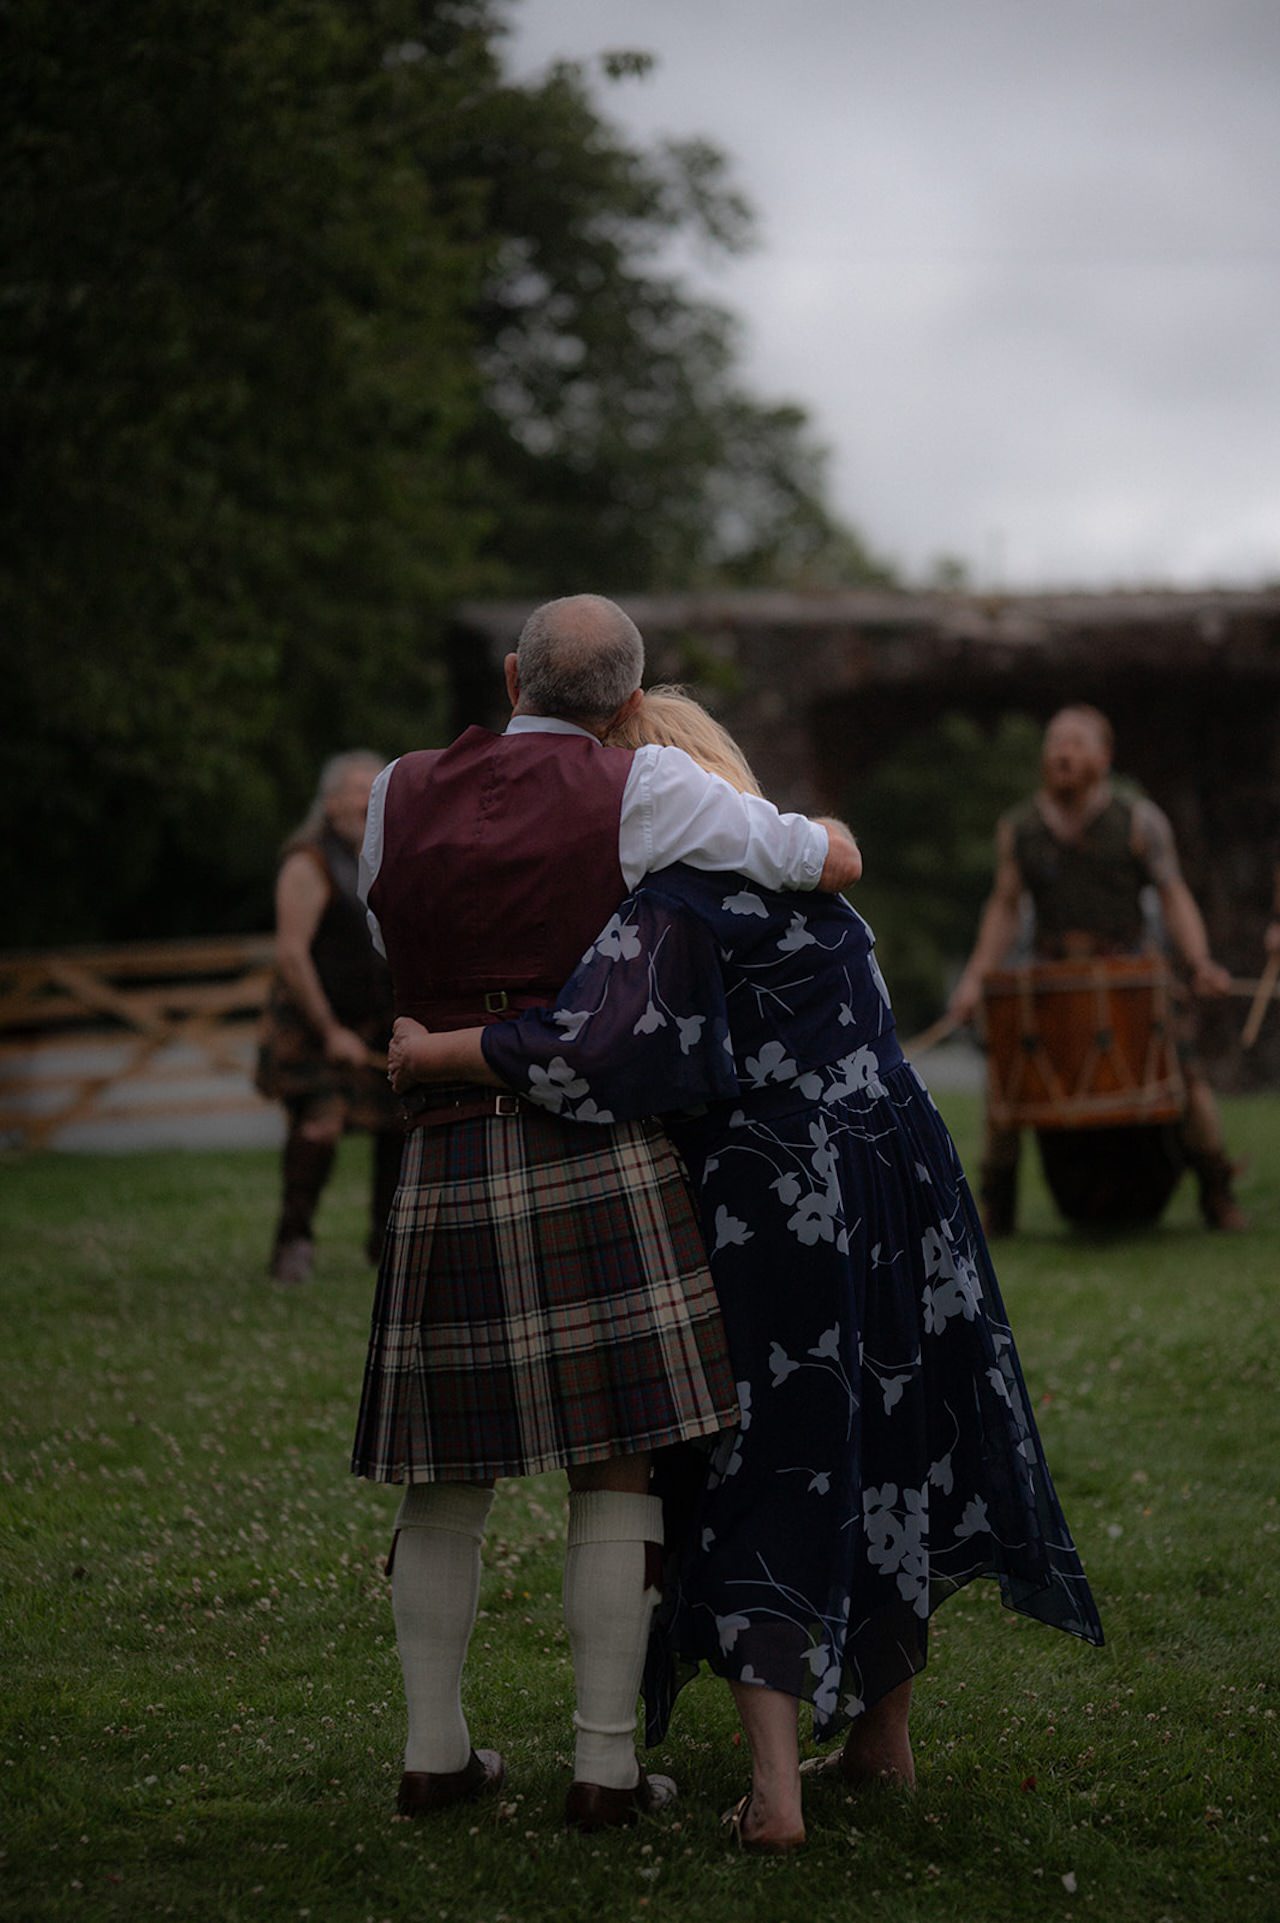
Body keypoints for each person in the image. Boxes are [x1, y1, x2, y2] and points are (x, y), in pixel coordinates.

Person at [389, 687, 1104, 1854]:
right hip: (899, 1174)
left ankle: (775, 1794)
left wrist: (438, 1052)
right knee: (885, 1443)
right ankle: (878, 1741)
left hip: (778, 1196)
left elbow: (587, 1053)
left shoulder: (674, 905)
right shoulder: (811, 884)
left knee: (762, 1458)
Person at [352, 599, 863, 1833]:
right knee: (617, 1461)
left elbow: (388, 934)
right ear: (631, 705)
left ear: (511, 677)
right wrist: (831, 834)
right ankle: (603, 1770)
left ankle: (432, 1755)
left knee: (445, 1466)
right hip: (596, 1146)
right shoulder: (644, 787)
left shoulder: (393, 791)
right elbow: (812, 859)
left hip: (445, 1144)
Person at [948, 705, 1243, 1234]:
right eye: (1054, 743)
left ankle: (1217, 1192)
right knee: (1007, 1085)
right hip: (1051, 983)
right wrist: (974, 979)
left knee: (1187, 1079)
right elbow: (1005, 907)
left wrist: (1199, 962)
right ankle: (997, 1208)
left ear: (1104, 757)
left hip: (1129, 980)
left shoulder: (1139, 820)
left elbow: (1173, 894)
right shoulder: (1019, 827)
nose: (1061, 753)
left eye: (1076, 743)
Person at [255, 751, 401, 1284]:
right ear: (331, 800)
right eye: (357, 789)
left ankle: (388, 1244)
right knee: (320, 1123)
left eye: (374, 789)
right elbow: (291, 956)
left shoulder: (390, 855)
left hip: (377, 1021)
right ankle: (293, 1243)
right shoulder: (308, 861)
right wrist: (330, 1031)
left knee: (400, 1125)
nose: (366, 800)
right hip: (312, 1022)